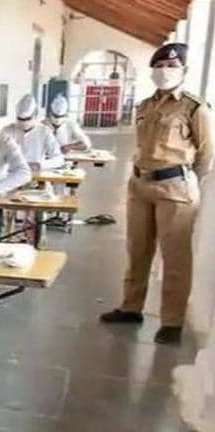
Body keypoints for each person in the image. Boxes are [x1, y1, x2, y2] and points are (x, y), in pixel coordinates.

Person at [100, 43, 214, 345]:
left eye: (171, 66)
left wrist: (190, 184)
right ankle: (131, 307)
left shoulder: (194, 108)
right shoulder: (145, 105)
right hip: (141, 185)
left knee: (175, 257)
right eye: (159, 66)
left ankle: (172, 322)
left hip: (175, 189)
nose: (164, 72)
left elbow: (205, 155)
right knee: (137, 250)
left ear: (184, 71)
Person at [1, 94, 64, 171]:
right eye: (20, 119)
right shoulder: (7, 131)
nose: (24, 122)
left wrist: (39, 165)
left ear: (35, 116)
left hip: (36, 175)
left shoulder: (44, 132)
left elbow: (59, 159)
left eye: (27, 119)